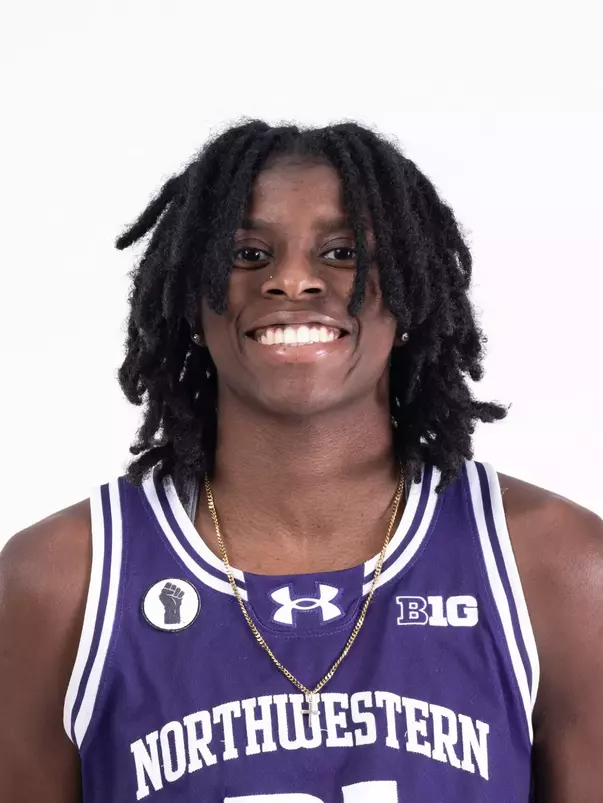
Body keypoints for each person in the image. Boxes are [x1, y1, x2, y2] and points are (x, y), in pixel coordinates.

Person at [1, 120, 601, 803]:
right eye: (248, 254)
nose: (289, 280)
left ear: (409, 290)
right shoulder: (64, 577)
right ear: (193, 298)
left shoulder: (552, 565)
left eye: (343, 253)